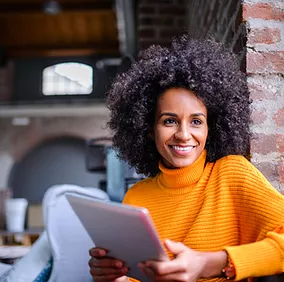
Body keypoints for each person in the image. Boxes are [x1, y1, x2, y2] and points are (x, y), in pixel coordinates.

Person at [88, 35, 284, 282]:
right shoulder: (136, 197)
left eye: (196, 121)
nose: (183, 135)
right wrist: (115, 278)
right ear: (148, 128)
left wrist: (213, 264)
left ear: (210, 127)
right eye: (169, 120)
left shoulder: (232, 173)